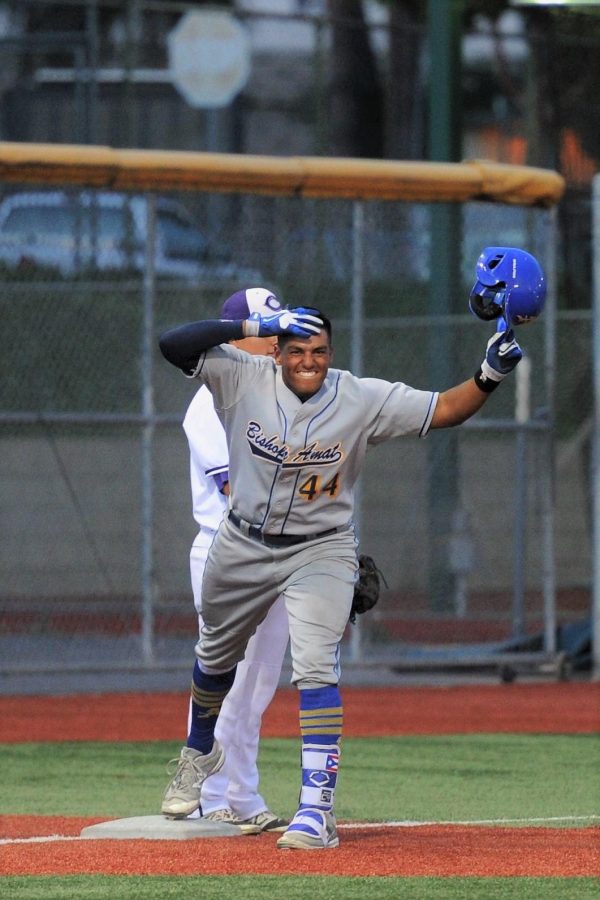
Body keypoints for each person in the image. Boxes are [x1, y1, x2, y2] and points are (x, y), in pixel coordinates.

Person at [158, 282, 525, 850]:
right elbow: (173, 343)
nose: (308, 359)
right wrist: (254, 330)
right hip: (239, 541)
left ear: (331, 354)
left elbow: (445, 409)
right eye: (295, 347)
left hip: (319, 546)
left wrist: (489, 376)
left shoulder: (358, 397)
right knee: (214, 664)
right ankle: (198, 754)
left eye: (318, 350)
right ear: (276, 349)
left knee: (314, 670)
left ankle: (315, 808)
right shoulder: (236, 378)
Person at [164, 288, 290, 834]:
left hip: (283, 550)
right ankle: (207, 793)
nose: (276, 339)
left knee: (260, 685)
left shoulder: (283, 395)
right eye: (265, 329)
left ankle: (242, 793)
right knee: (227, 680)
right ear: (235, 334)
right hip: (226, 549)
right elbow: (239, 487)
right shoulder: (209, 401)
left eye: (277, 330)